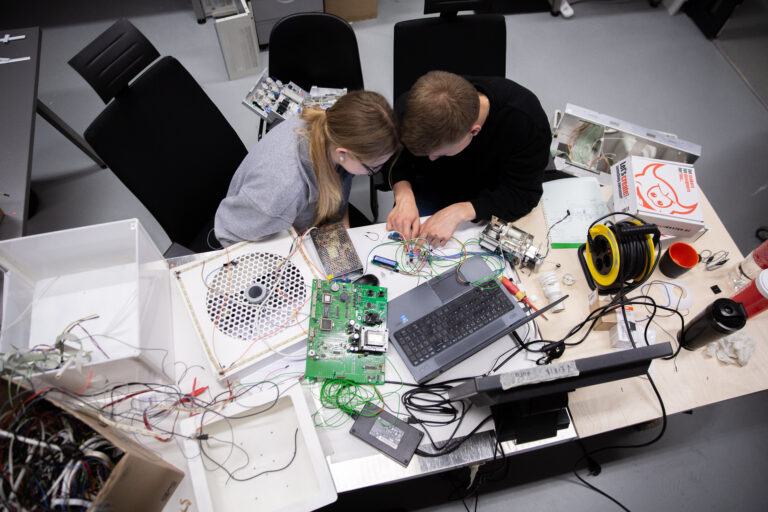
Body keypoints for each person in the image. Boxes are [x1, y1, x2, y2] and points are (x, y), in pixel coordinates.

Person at [385, 71, 551, 247]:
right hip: (431, 186)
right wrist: (403, 195)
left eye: (439, 154)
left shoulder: (526, 122)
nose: (431, 159)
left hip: (487, 196)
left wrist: (461, 211)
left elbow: (523, 194)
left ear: (474, 131)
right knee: (406, 243)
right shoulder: (410, 108)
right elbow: (394, 159)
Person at [215, 90, 400, 246]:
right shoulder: (284, 189)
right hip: (253, 234)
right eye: (372, 168)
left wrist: (342, 228)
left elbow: (340, 184)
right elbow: (228, 234)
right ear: (343, 153)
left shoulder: (335, 129)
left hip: (307, 220)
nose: (372, 172)